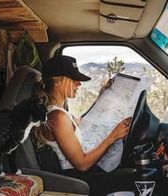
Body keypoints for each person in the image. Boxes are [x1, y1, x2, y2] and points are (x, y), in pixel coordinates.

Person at [33, 55, 133, 195]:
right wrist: (113, 137)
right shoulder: (58, 117)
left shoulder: (59, 113)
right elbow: (82, 164)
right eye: (74, 79)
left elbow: (83, 121)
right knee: (135, 177)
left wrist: (102, 96)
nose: (78, 84)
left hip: (79, 176)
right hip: (76, 180)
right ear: (57, 82)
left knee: (130, 174)